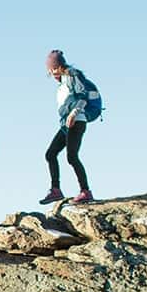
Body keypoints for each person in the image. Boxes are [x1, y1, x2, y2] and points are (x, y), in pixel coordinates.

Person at [38, 50, 98, 205]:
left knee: (72, 156)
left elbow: (82, 95)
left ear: (56, 67)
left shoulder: (72, 76)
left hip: (77, 121)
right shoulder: (63, 82)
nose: (50, 73)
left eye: (51, 70)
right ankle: (55, 190)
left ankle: (86, 191)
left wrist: (74, 113)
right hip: (67, 123)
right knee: (50, 154)